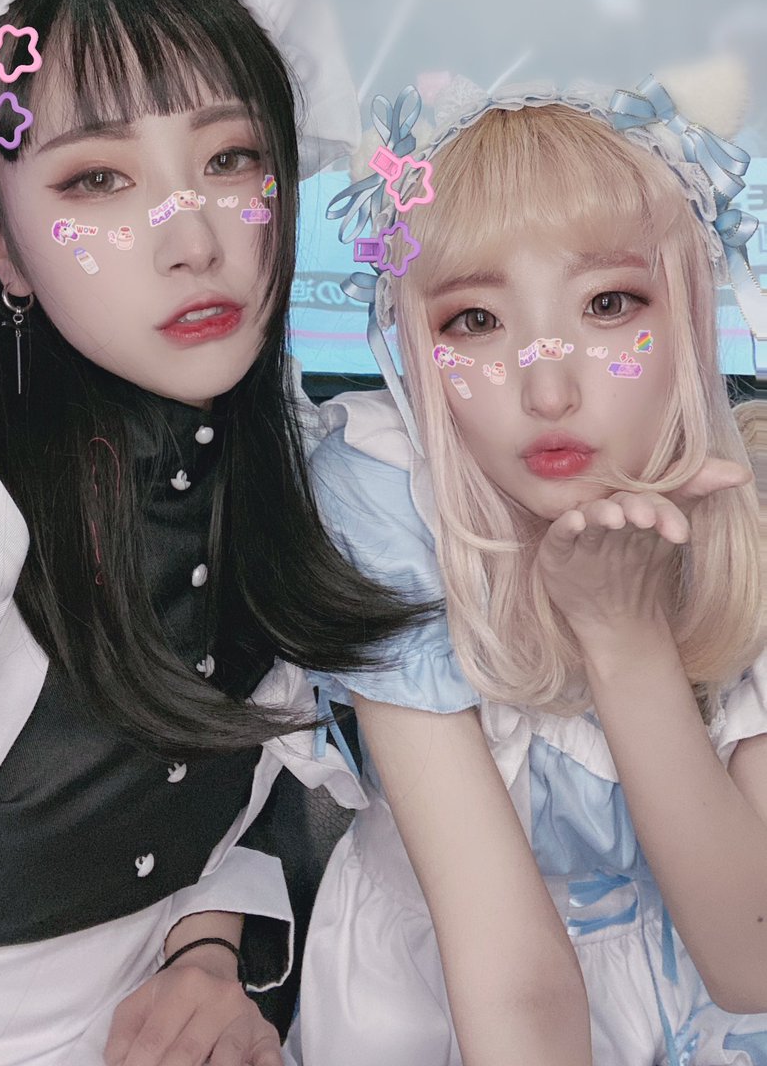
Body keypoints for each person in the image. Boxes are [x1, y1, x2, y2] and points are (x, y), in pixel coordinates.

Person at [0, 0, 426, 1062]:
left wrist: (207, 948)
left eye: (231, 160)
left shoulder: (304, 465)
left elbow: (260, 772)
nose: (192, 240)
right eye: (97, 180)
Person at [288, 72, 767, 1065]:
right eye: (474, 321)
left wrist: (623, 633)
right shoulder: (384, 494)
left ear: (687, 308)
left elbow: (749, 962)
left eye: (608, 304)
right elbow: (507, 973)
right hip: (447, 988)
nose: (547, 389)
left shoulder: (748, 505)